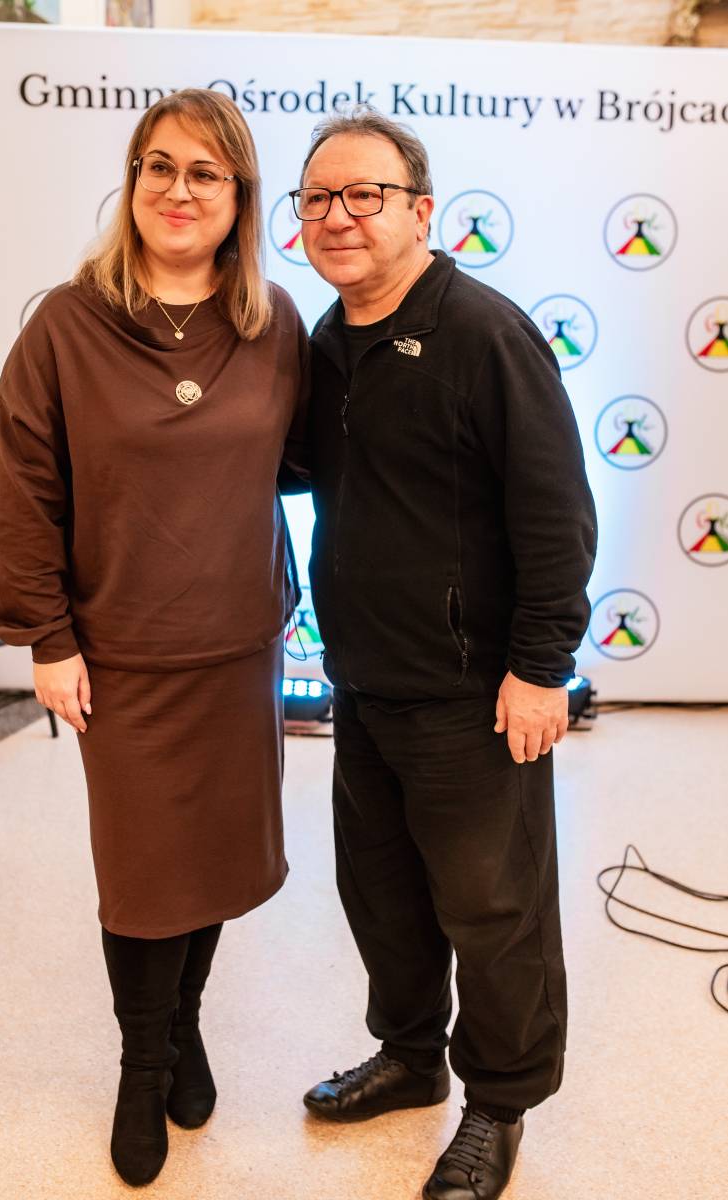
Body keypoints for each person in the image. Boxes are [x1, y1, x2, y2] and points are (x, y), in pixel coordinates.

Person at [0, 89, 307, 1188]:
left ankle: (183, 1027)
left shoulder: (271, 323)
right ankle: (140, 1064)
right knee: (141, 874)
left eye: (204, 172)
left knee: (211, 860)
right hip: (119, 654)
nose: (178, 190)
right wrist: (45, 637)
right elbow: (21, 488)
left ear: (239, 196)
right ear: (131, 184)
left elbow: (307, 458)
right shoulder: (67, 325)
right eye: (157, 167)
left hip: (237, 648)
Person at [293, 110, 596, 1200]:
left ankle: (498, 1105)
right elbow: (294, 468)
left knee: (492, 911)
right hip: (364, 683)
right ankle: (411, 1056)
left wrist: (541, 666)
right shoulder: (327, 343)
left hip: (474, 695)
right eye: (316, 199)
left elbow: (555, 513)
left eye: (363, 195)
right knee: (382, 895)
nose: (338, 216)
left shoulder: (482, 333)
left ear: (420, 211)